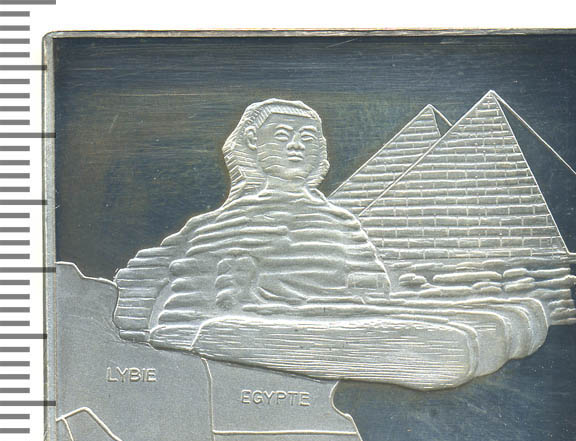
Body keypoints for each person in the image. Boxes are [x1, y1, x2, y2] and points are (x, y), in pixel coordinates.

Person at [113, 99, 391, 348]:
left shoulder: (341, 224)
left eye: (307, 138)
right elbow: (142, 283)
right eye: (282, 135)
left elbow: (375, 290)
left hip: (313, 345)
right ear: (252, 140)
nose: (296, 146)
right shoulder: (208, 227)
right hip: (197, 351)